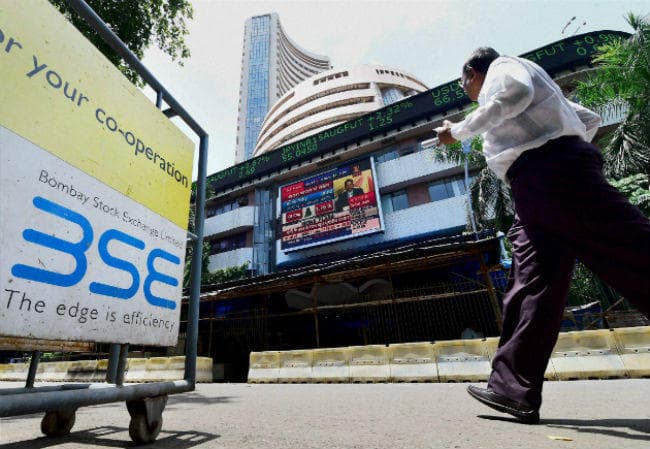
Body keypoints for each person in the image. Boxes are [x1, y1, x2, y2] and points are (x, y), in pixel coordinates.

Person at [436, 47, 650, 424]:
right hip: (536, 184)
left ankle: (512, 386)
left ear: (472, 71)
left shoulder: (504, 68)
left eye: (462, 82)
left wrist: (457, 131)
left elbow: (514, 94)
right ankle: (511, 389)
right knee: (531, 286)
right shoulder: (537, 84)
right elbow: (589, 118)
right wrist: (565, 142)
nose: (465, 89)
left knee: (632, 250)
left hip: (551, 174)